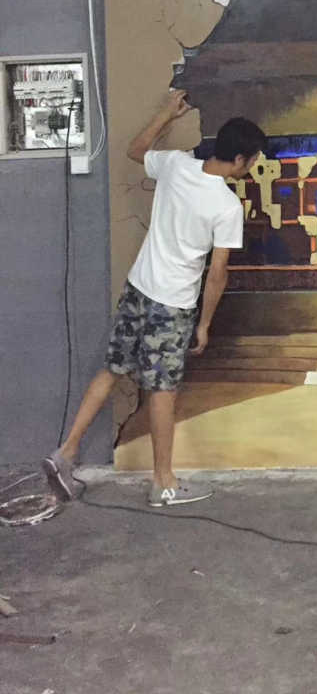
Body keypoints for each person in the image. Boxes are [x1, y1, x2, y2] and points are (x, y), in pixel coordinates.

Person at [43, 93, 266, 507]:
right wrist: (204, 323)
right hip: (172, 305)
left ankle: (66, 452)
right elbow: (218, 272)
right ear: (239, 159)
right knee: (162, 391)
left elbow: (135, 150)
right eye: (252, 160)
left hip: (138, 288)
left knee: (111, 369)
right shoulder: (226, 205)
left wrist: (166, 113)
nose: (252, 167)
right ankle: (163, 483)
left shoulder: (176, 165)